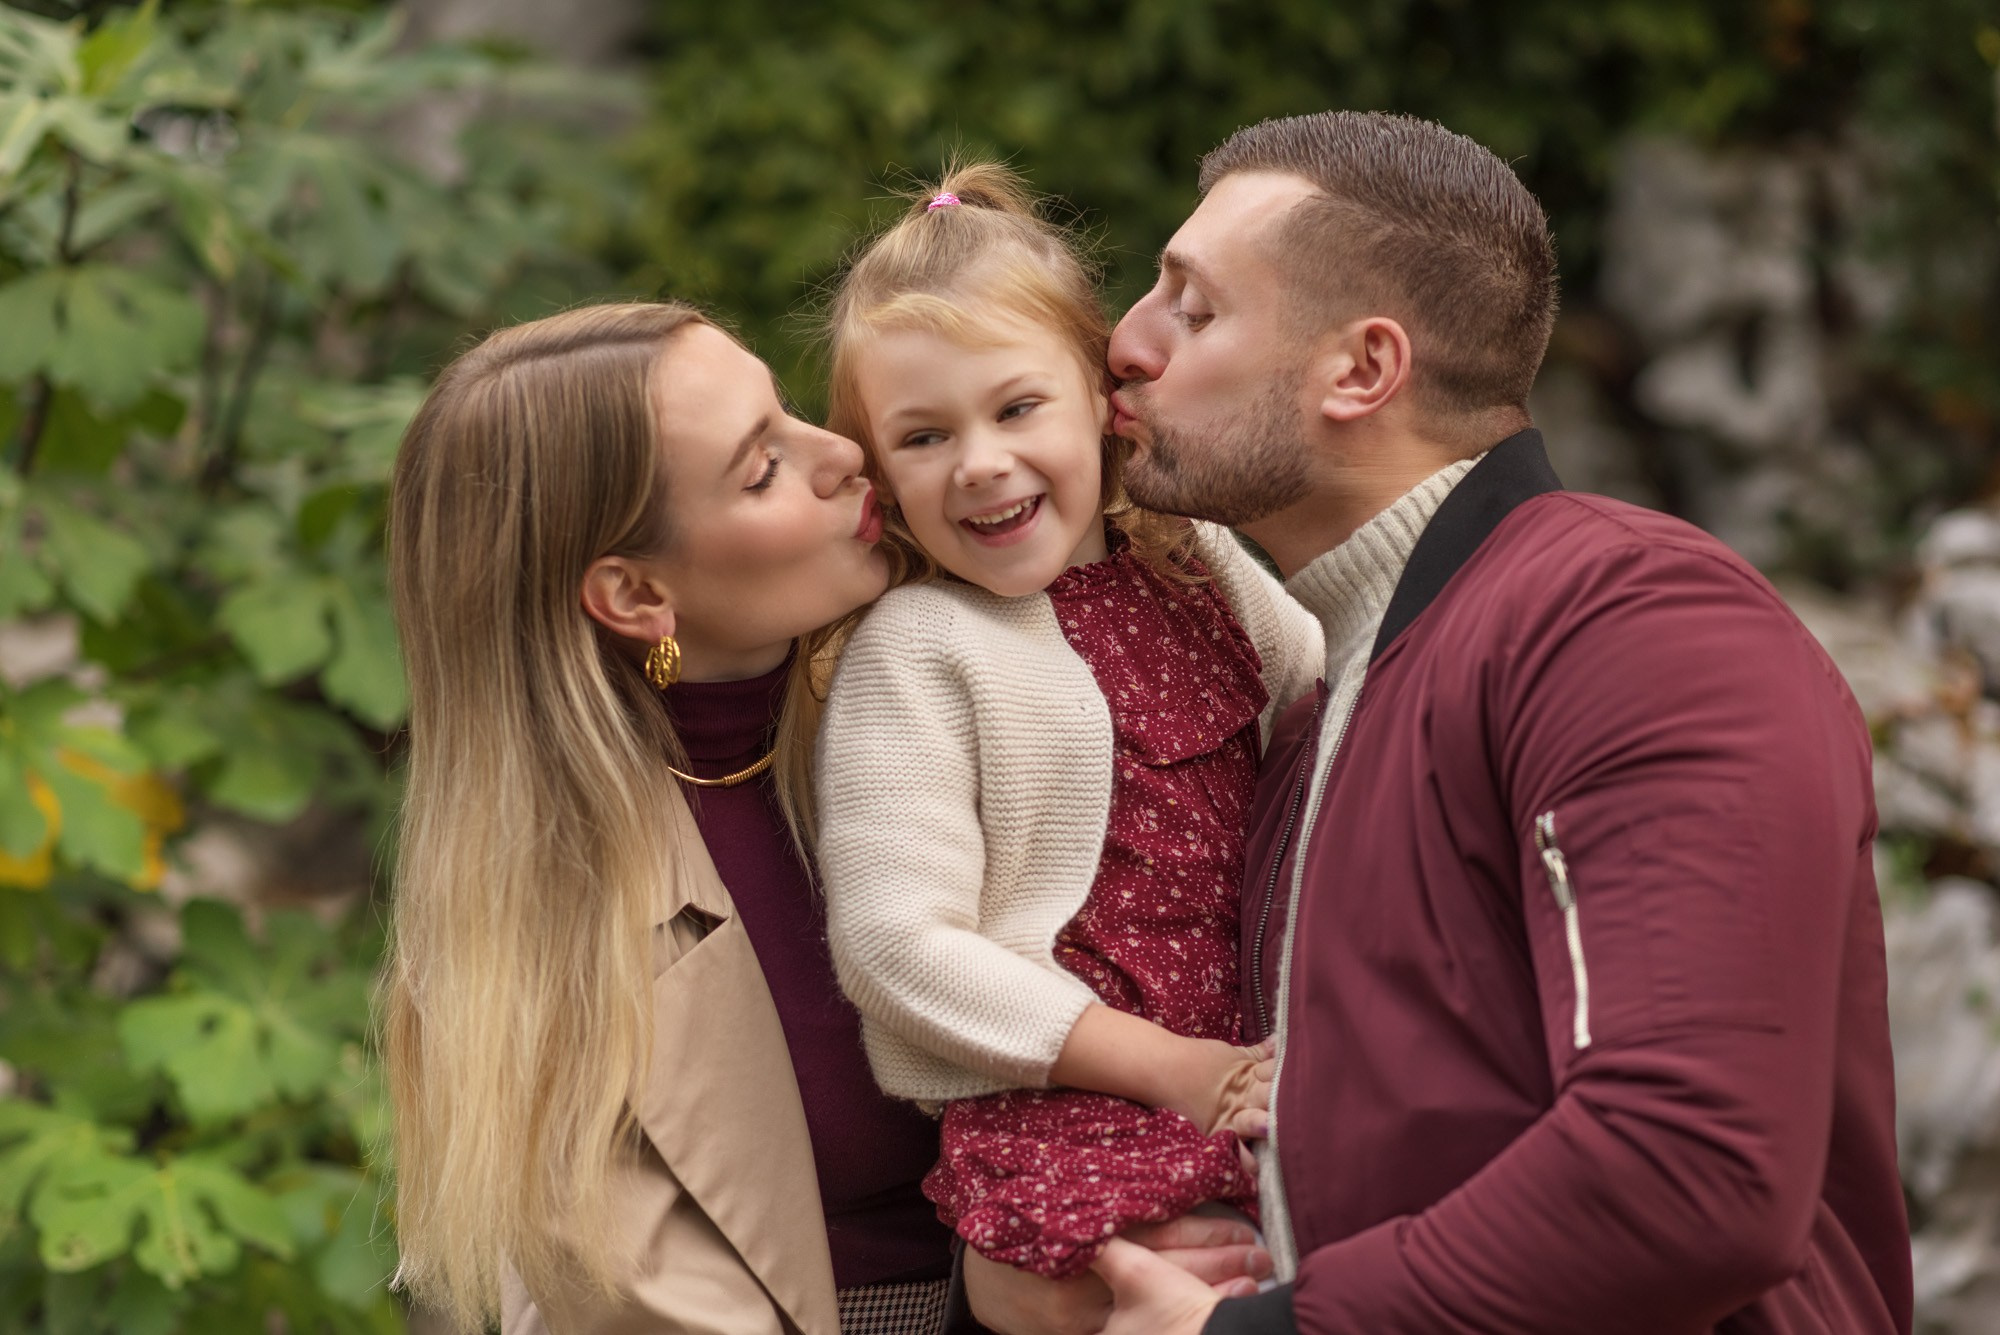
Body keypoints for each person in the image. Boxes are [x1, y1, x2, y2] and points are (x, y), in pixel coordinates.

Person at [1050, 110, 1914, 1335]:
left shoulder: (1625, 621)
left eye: (1192, 308)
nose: (1124, 344)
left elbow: (1691, 1170)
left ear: (1361, 370)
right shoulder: (1314, 704)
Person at [382, 301, 958, 1334]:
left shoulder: (940, 676)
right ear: (635, 594)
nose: (841, 453)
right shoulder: (547, 941)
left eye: (788, 410)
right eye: (763, 468)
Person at [813, 165, 1324, 1284]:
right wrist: (1175, 1070)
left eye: (1016, 408)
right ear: (880, 475)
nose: (980, 463)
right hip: (1078, 1106)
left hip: (1274, 1063)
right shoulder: (918, 649)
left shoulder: (1201, 565)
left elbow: (1334, 709)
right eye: (922, 437)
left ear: (1101, 398)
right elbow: (899, 946)